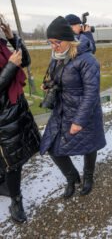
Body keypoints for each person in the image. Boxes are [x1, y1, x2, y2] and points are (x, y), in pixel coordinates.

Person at [40, 16, 106, 198]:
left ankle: (88, 177)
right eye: (50, 42)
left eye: (57, 42)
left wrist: (79, 120)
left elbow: (91, 93)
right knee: (52, 147)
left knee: (88, 145)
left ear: (69, 40)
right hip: (62, 110)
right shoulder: (56, 57)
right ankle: (72, 178)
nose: (54, 46)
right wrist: (48, 84)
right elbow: (56, 77)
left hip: (84, 112)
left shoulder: (87, 60)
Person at [0, 14, 41, 223]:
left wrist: (12, 38)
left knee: (14, 159)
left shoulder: (2, 44)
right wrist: (10, 66)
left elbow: (25, 60)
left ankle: (7, 188)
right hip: (3, 118)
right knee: (11, 162)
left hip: (16, 110)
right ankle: (16, 200)